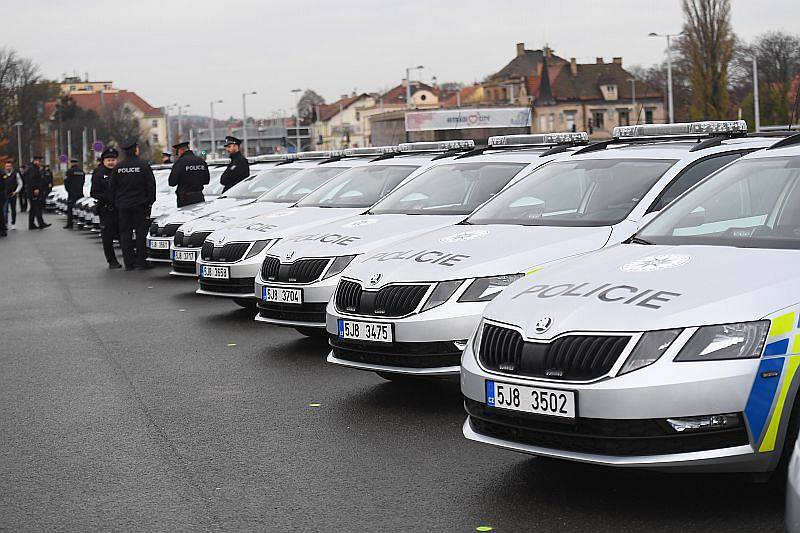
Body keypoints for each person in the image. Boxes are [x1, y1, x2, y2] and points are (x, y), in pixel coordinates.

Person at [110, 141, 156, 270]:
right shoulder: (143, 165)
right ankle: (141, 262)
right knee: (141, 233)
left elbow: (112, 188)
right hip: (140, 205)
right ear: (136, 149)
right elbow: (151, 185)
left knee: (125, 234)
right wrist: (149, 202)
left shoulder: (118, 167)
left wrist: (116, 203)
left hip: (123, 206)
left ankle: (128, 263)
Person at [90, 147, 121, 268]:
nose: (111, 162)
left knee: (123, 235)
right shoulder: (99, 173)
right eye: (108, 160)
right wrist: (108, 198)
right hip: (106, 209)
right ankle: (112, 261)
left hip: (119, 208)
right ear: (103, 161)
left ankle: (130, 258)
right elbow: (94, 192)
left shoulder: (119, 171)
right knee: (107, 238)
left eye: (113, 159)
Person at [167, 141, 209, 207]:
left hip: (185, 198)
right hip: (199, 196)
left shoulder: (180, 162)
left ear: (181, 150)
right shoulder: (201, 161)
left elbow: (172, 182)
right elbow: (206, 180)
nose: (177, 154)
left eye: (177, 152)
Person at [23, 156, 50, 230]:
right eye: (39, 161)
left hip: (31, 191)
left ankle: (31, 224)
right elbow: (32, 179)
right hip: (34, 191)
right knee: (37, 207)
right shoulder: (33, 168)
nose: (40, 163)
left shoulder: (32, 167)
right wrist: (36, 188)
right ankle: (41, 223)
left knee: (33, 208)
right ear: (35, 161)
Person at [63, 158, 85, 229]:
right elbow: (83, 182)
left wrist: (69, 190)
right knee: (80, 209)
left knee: (70, 209)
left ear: (71, 163)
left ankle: (70, 224)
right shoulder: (81, 171)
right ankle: (81, 223)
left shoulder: (69, 171)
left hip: (72, 193)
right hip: (80, 192)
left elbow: (66, 182)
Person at [3, 162, 22, 229]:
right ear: (5, 167)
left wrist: (16, 191)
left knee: (13, 209)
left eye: (9, 166)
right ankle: (5, 223)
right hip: (4, 194)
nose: (8, 167)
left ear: (12, 167)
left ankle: (13, 223)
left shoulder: (15, 174)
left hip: (12, 194)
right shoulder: (3, 174)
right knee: (5, 210)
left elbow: (20, 183)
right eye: (7, 166)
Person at [0, 166, 7, 237]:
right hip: (2, 194)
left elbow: (3, 184)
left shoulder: (1, 172)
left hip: (1, 195)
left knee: (1, 213)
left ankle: (3, 230)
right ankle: (3, 229)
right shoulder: (2, 171)